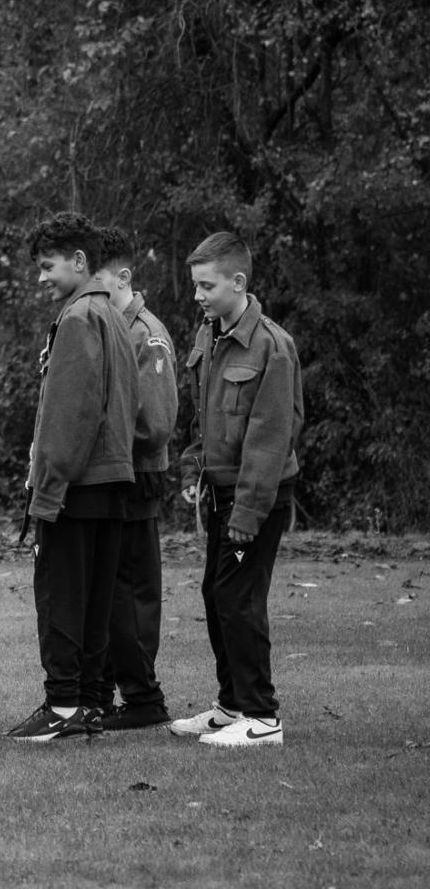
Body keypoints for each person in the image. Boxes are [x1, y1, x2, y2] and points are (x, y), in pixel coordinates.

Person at [8, 211, 137, 742]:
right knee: (93, 600)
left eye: (48, 265)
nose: (41, 277)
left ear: (80, 262)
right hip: (110, 484)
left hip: (75, 487)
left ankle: (62, 705)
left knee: (61, 596)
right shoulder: (111, 315)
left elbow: (69, 414)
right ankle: (86, 702)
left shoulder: (79, 317)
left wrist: (47, 490)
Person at [170, 232, 303, 747]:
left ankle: (263, 717)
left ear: (238, 282)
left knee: (239, 598)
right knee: (217, 592)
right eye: (196, 286)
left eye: (207, 286)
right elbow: (207, 423)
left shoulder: (273, 345)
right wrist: (192, 471)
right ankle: (231, 707)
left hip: (259, 499)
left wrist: (246, 516)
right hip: (222, 492)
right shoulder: (208, 335)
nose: (198, 296)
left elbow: (272, 440)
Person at [91, 226, 179, 730]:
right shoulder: (104, 324)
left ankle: (144, 697)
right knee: (107, 588)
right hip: (111, 474)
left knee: (129, 590)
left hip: (136, 474)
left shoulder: (144, 333)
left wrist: (101, 443)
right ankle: (104, 690)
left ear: (123, 277)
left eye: (101, 281)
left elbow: (155, 424)